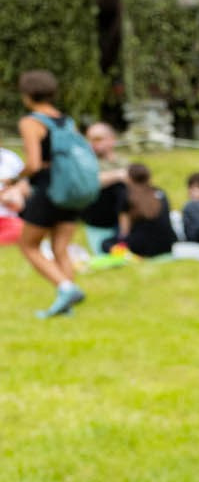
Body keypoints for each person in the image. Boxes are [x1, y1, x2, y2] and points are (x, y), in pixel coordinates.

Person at [13, 69, 87, 318]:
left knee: (28, 245)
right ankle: (67, 309)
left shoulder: (31, 122)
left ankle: (66, 288)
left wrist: (14, 178)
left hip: (49, 189)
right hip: (72, 188)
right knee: (60, 248)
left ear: (27, 95)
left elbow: (34, 163)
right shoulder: (67, 121)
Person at [77, 122, 131, 262]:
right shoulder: (85, 161)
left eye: (98, 139)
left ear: (112, 139)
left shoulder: (124, 161)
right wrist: (118, 175)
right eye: (90, 139)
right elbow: (88, 183)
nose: (93, 144)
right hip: (97, 215)